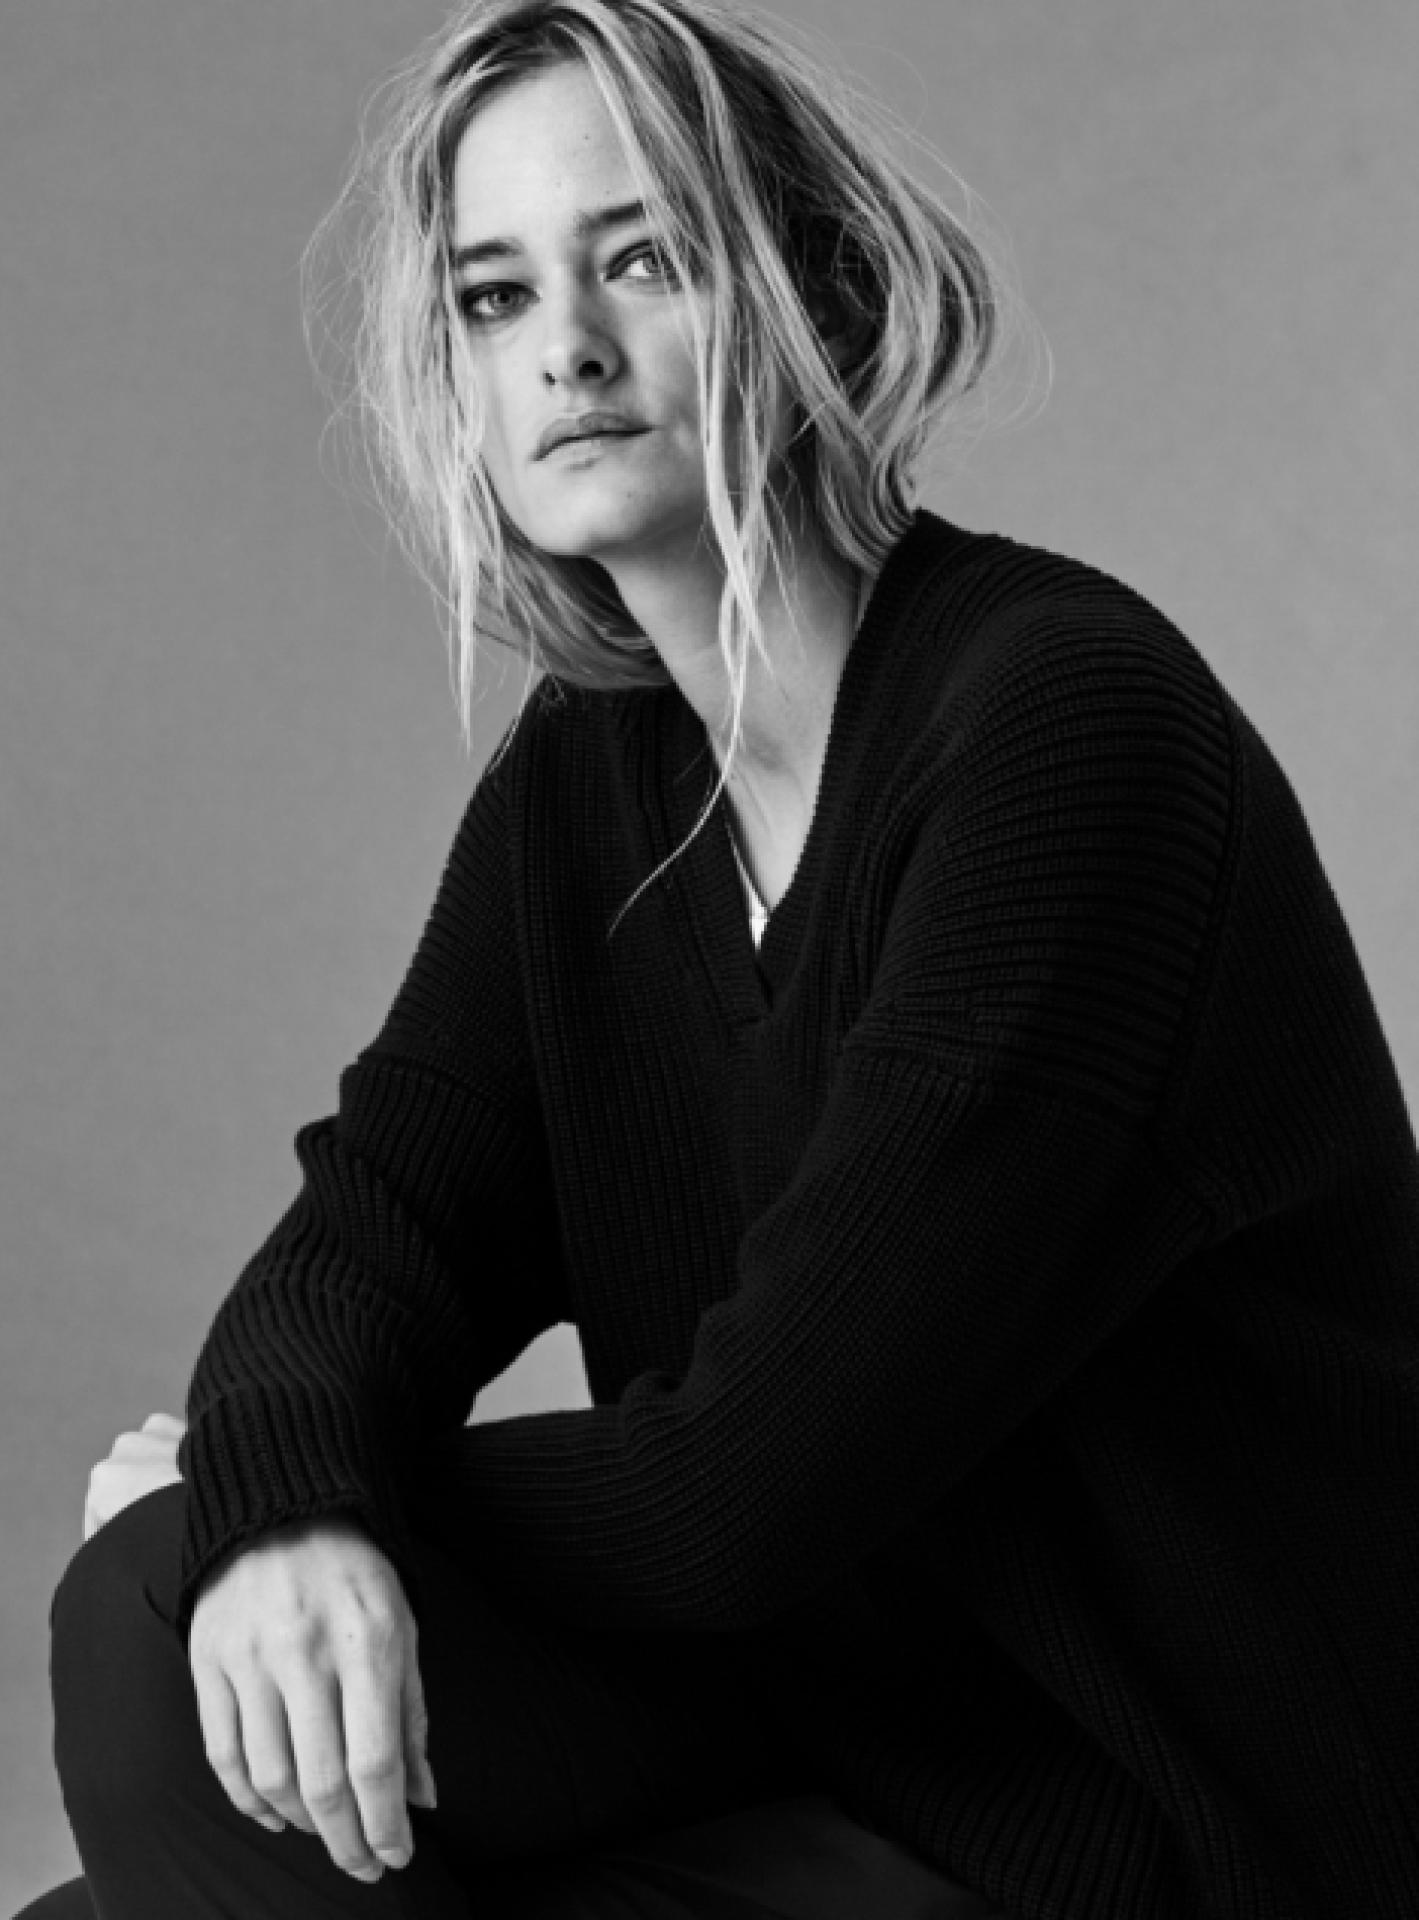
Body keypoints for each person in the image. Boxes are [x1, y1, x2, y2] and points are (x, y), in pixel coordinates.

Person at [25, 1, 1419, 1916]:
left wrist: (271, 1493)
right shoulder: (590, 781)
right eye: (495, 298)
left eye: (644, 261)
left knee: (158, 1615)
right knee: (166, 1689)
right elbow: (375, 1232)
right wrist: (274, 1504)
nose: (568, 350)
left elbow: (751, 1483)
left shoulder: (1065, 736)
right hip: (826, 1714)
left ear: (805, 290)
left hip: (1152, 1811)